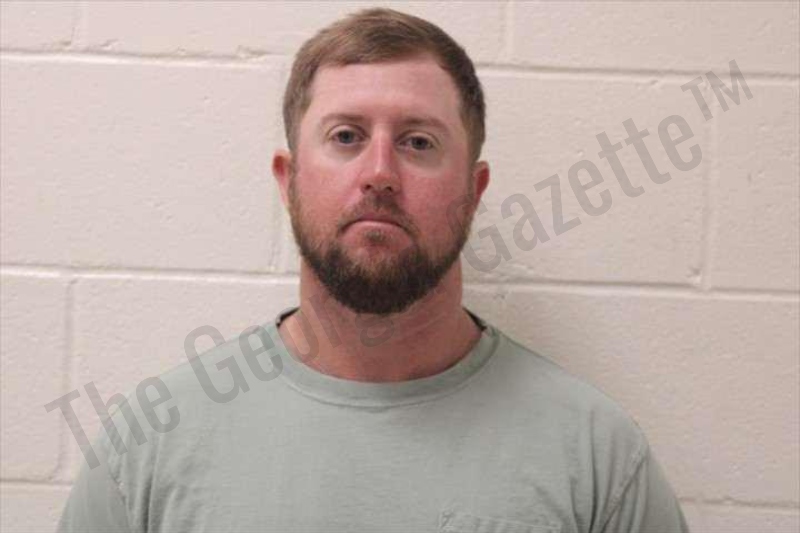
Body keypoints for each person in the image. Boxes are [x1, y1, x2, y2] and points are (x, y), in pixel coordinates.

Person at [57, 7, 689, 532]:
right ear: (288, 181)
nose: (380, 173)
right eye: (346, 137)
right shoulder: (149, 445)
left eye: (418, 142)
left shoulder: (596, 456)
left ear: (474, 191)